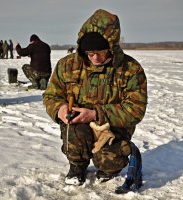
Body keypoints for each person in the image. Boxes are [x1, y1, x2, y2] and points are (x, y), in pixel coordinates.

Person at [43, 9, 147, 190]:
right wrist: (59, 109)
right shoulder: (67, 65)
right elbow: (52, 95)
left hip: (112, 129)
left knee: (110, 160)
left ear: (112, 47)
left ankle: (108, 170)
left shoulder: (130, 69)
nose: (95, 58)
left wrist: (95, 114)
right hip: (77, 125)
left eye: (101, 52)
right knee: (74, 134)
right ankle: (77, 167)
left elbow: (136, 109)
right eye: (90, 53)